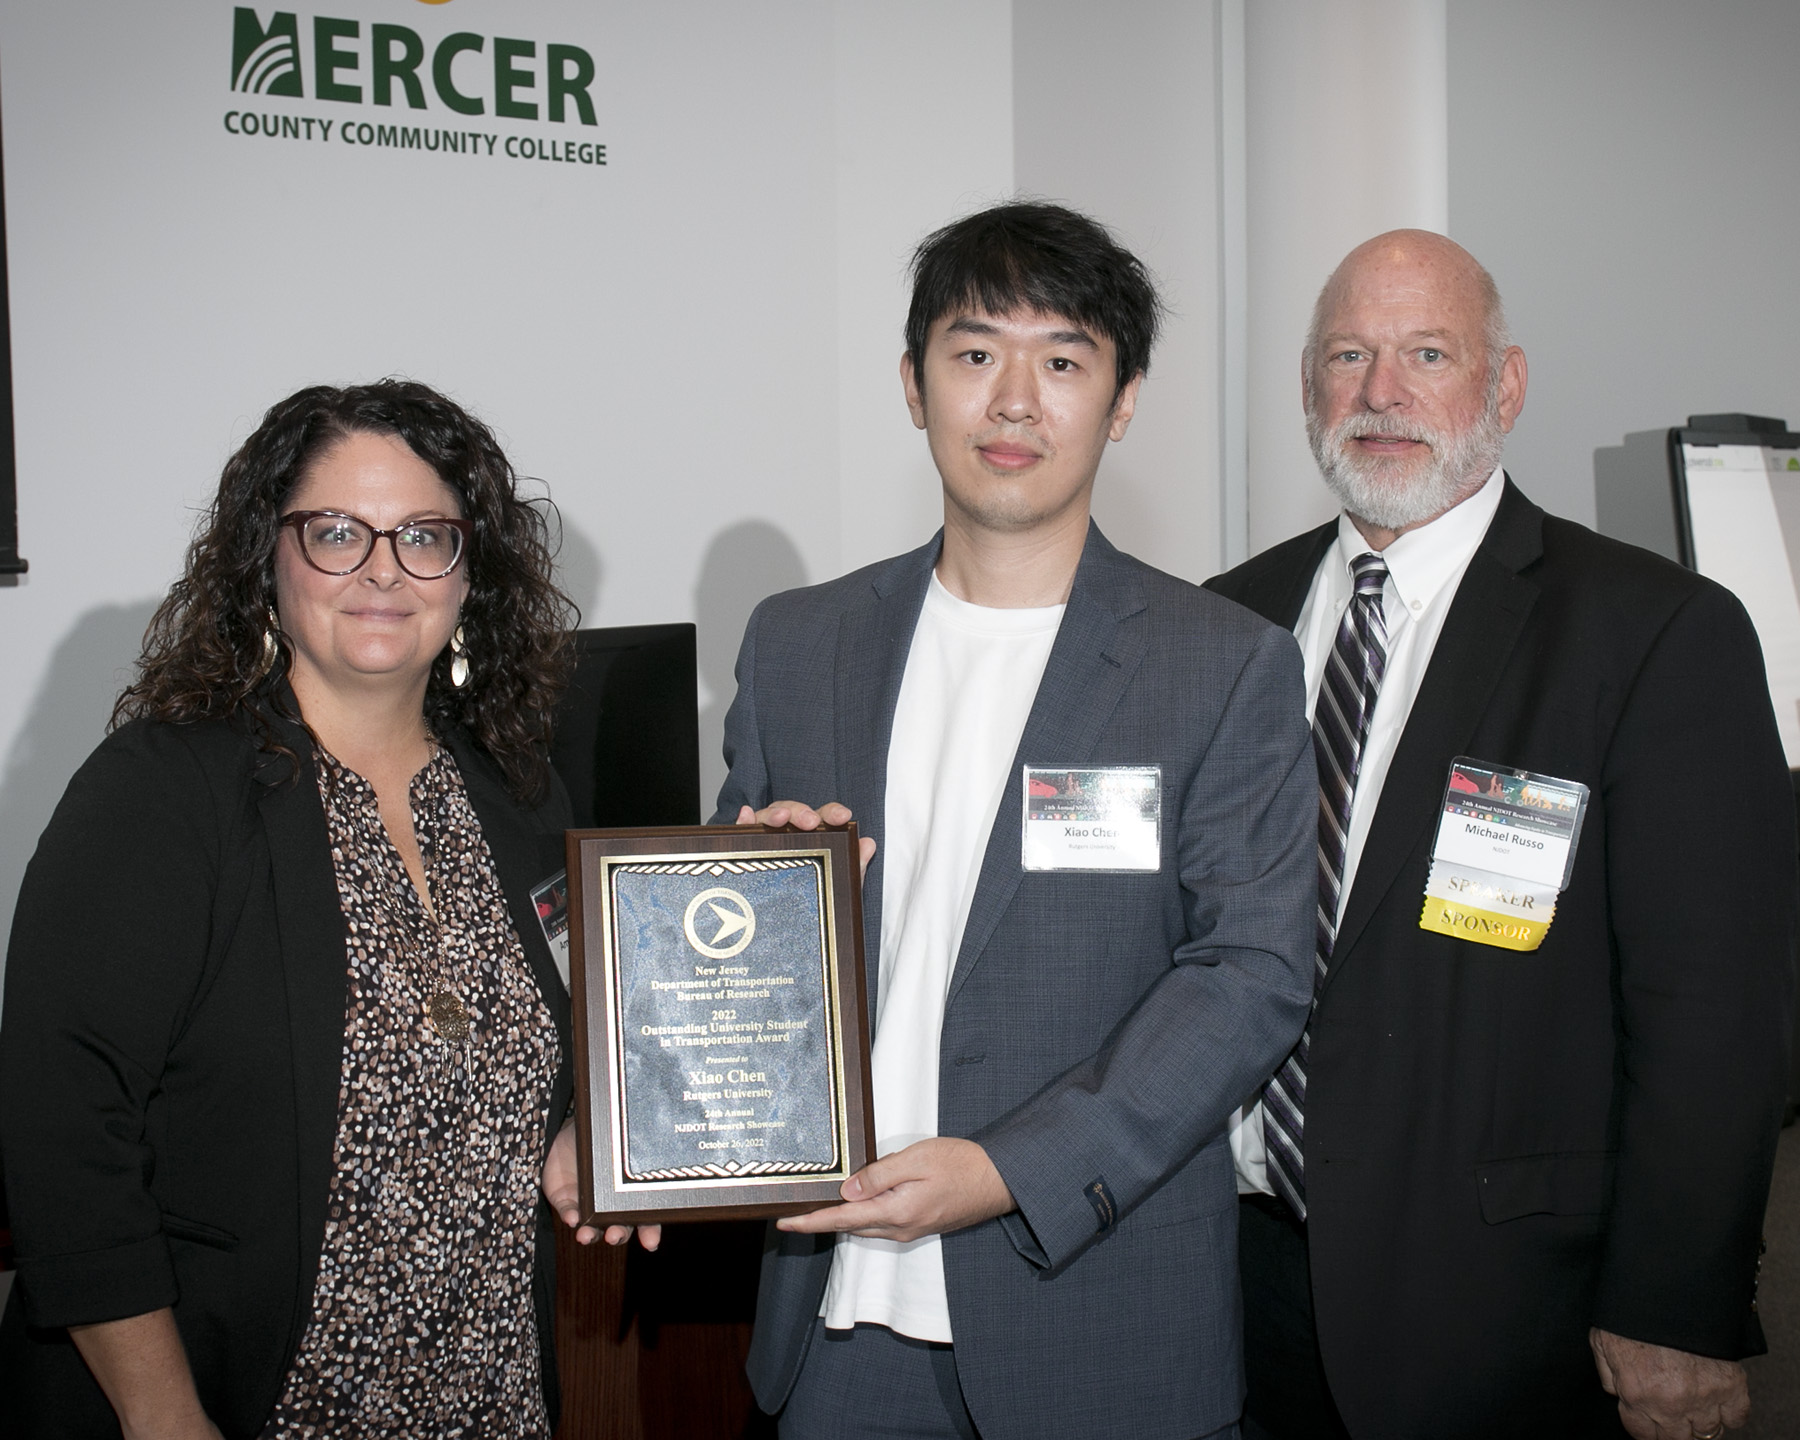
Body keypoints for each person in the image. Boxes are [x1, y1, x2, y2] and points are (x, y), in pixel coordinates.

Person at [715, 201, 1318, 1439]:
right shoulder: (798, 643)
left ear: (1124, 397)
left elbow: (1252, 972)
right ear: (912, 381)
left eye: (1063, 361)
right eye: (975, 353)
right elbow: (724, 958)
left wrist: (1005, 1171)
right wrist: (760, 887)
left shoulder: (1222, 664)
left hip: (1097, 1314)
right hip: (836, 1321)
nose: (1013, 402)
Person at [1208, 230, 1796, 1440]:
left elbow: (1717, 1010)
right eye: (1349, 356)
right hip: (1227, 1288)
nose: (1381, 393)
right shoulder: (1227, 624)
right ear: (1308, 388)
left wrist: (1676, 1304)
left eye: (1427, 353)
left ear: (1505, 386)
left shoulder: (1652, 633)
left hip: (1505, 1315)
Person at [0, 380, 625, 1437]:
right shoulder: (163, 791)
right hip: (235, 1404)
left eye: (426, 535)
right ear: (267, 560)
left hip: (487, 1399)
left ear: (472, 572)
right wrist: (166, 1421)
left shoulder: (522, 800)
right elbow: (65, 1137)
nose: (384, 569)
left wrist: (585, 1129)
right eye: (337, 532)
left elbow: (558, 1051)